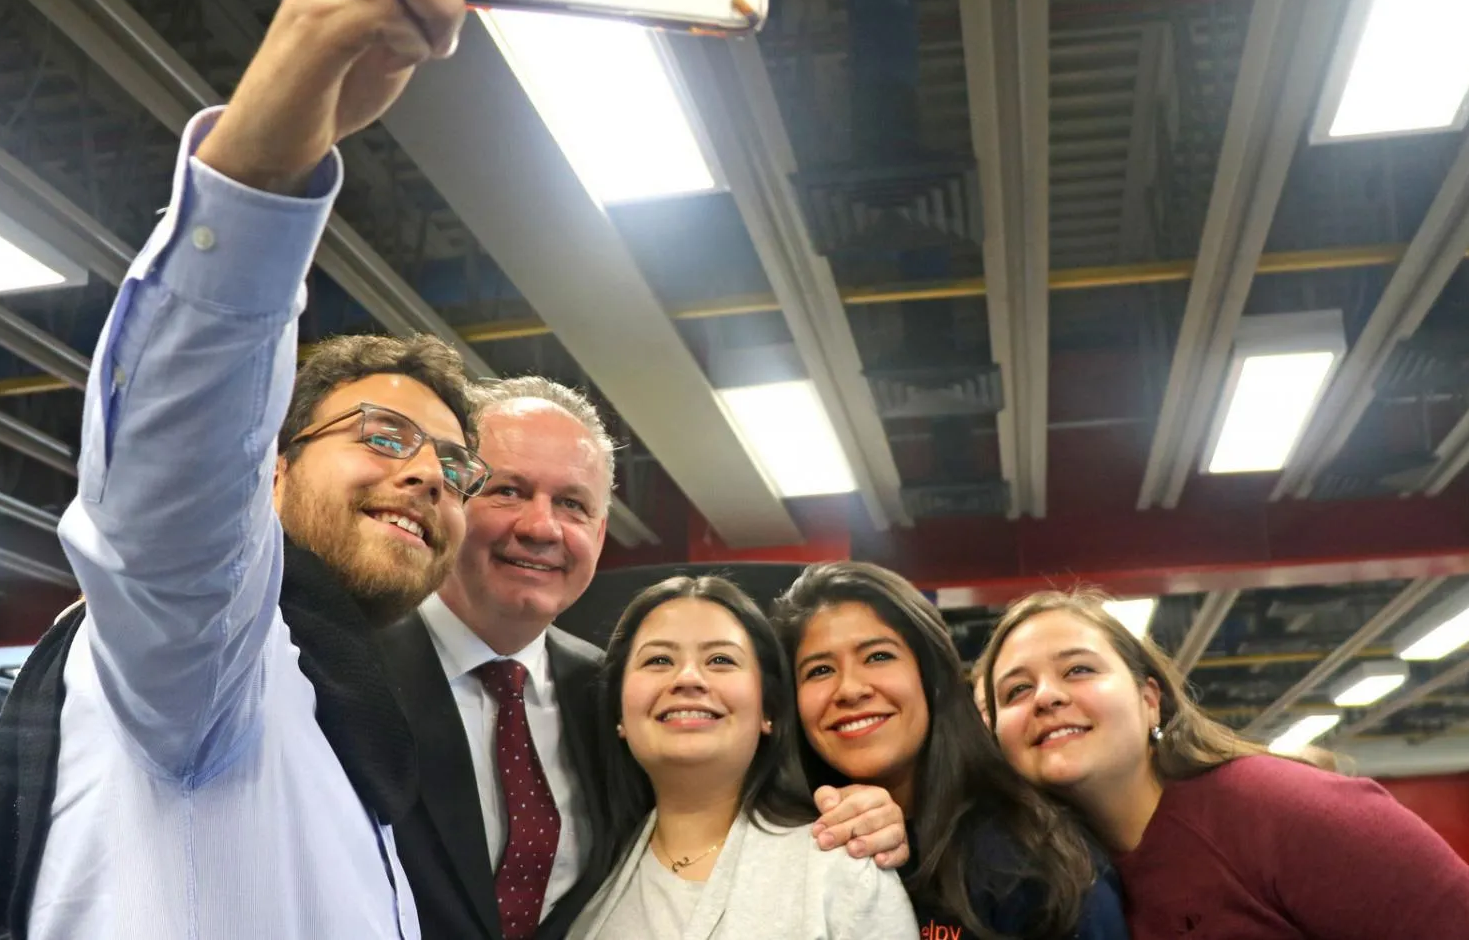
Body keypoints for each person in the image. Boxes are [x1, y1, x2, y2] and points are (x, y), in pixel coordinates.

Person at [0, 0, 522, 937]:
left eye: (453, 464)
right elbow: (180, 461)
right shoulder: (200, 660)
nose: (430, 477)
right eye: (382, 434)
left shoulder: (348, 716)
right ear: (269, 466)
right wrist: (262, 168)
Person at [375, 377, 910, 940]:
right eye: (508, 490)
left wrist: (875, 812)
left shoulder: (592, 687)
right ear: (452, 492)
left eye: (572, 503)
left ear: (600, 531)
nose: (540, 526)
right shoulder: (345, 665)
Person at [979, 589, 1469, 940]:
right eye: (1016, 690)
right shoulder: (1058, 878)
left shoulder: (1283, 808)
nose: (1045, 697)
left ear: (1150, 698)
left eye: (1077, 670)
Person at [773, 562, 1127, 940]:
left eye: (878, 656)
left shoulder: (1032, 858)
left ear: (933, 679)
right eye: (819, 670)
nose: (850, 689)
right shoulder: (788, 854)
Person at [565, 576, 919, 940]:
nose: (688, 678)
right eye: (658, 660)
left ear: (768, 709)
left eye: (720, 659)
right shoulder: (574, 882)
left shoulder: (842, 868)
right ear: (620, 714)